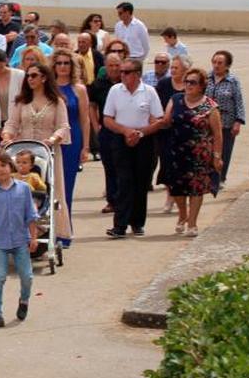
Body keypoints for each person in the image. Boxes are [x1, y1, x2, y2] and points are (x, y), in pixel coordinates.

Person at [1, 62, 71, 241]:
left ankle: (49, 231)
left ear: (44, 78)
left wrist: (53, 139)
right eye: (28, 76)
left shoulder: (57, 102)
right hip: (24, 154)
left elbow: (63, 127)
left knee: (48, 188)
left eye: (34, 75)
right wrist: (7, 135)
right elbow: (12, 124)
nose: (30, 79)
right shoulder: (21, 101)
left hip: (47, 153)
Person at [0, 151, 39, 328]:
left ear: (10, 166)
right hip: (0, 243)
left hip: (21, 240)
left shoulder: (24, 188)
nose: (1, 170)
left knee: (27, 276)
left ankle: (24, 300)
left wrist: (34, 238)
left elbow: (31, 216)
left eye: (3, 165)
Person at [103, 60, 164, 238]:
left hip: (144, 141)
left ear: (137, 74)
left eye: (126, 72)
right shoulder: (115, 91)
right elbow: (107, 118)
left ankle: (137, 222)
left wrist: (140, 133)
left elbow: (158, 119)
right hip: (121, 140)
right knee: (124, 182)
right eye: (121, 72)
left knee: (141, 182)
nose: (122, 75)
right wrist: (126, 132)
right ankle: (119, 225)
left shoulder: (149, 92)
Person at [162, 67, 223, 237]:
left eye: (193, 82)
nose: (188, 85)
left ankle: (192, 222)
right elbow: (166, 121)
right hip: (176, 152)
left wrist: (217, 156)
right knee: (178, 188)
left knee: (196, 188)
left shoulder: (210, 106)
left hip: (198, 154)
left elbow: (217, 135)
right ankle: (183, 214)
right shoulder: (175, 99)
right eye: (187, 81)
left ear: (202, 85)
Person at [51, 50, 91, 242]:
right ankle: (49, 228)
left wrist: (86, 146)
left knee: (66, 186)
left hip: (72, 139)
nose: (62, 66)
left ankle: (64, 231)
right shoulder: (49, 87)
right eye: (59, 63)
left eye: (66, 63)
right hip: (52, 139)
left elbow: (85, 120)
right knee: (50, 185)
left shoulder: (79, 89)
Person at [89, 53, 123, 214]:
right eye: (111, 65)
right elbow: (92, 106)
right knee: (109, 167)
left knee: (123, 168)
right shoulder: (98, 84)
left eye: (117, 65)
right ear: (105, 66)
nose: (115, 68)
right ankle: (112, 201)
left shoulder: (127, 82)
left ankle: (124, 200)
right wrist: (96, 126)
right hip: (106, 131)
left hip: (124, 130)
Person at [205, 50, 245, 184]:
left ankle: (221, 178)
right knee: (208, 150)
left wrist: (238, 122)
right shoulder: (206, 78)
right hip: (207, 121)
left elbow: (238, 101)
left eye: (220, 63)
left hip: (226, 122)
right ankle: (208, 177)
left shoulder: (232, 81)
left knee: (224, 151)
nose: (216, 65)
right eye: (214, 62)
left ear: (227, 66)